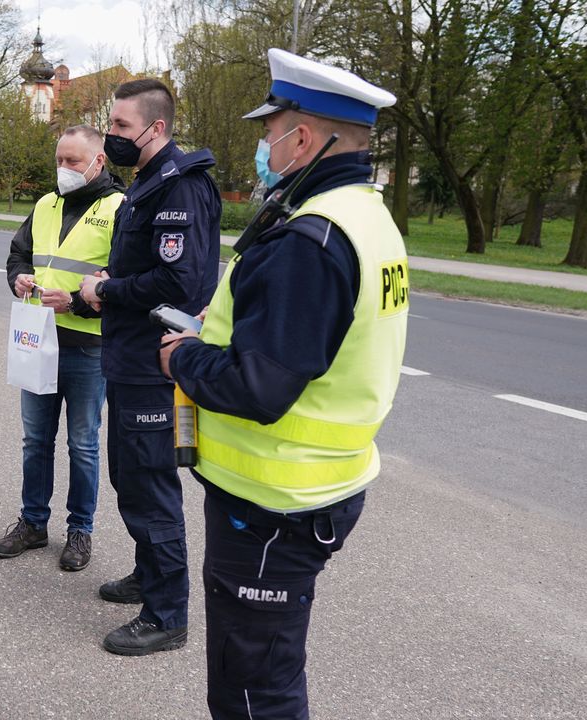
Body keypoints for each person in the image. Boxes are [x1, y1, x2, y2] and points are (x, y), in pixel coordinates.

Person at [160, 49, 406, 718]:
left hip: (274, 503)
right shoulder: (365, 216)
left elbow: (259, 388)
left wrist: (183, 358)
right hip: (316, 488)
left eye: (269, 130)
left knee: (253, 691)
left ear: (302, 137)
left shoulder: (311, 239)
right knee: (261, 674)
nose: (262, 144)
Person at [76, 79, 222, 655]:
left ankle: (166, 614)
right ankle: (148, 575)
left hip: (152, 360)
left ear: (154, 129)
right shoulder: (150, 184)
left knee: (149, 486)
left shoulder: (179, 189)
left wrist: (108, 290)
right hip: (131, 356)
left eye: (118, 126)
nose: (110, 135)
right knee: (130, 477)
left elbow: (177, 282)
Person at [0, 125, 125, 572]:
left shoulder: (119, 208)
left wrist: (80, 305)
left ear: (98, 162)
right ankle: (32, 523)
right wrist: (19, 278)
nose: (64, 169)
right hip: (39, 337)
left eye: (73, 161)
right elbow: (18, 254)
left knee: (83, 443)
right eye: (59, 160)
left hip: (89, 345)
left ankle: (80, 530)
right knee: (35, 441)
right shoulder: (46, 203)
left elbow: (121, 283)